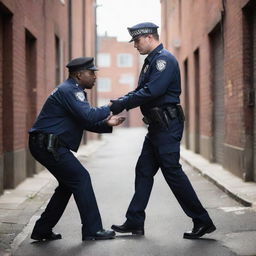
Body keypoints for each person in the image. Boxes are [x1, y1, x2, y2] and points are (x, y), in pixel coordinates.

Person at [110, 22, 216, 239]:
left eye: (137, 41)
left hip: (167, 124)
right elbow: (142, 90)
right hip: (157, 126)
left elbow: (152, 90)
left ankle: (202, 221)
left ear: (149, 38)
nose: (135, 46)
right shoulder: (151, 61)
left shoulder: (163, 60)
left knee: (172, 172)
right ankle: (135, 221)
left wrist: (122, 103)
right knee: (144, 170)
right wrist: (123, 100)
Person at [29, 57, 125, 241]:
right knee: (81, 178)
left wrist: (107, 123)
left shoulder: (73, 90)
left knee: (67, 185)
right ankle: (93, 229)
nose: (95, 77)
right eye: (92, 73)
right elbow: (88, 115)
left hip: (46, 144)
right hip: (48, 145)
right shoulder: (70, 90)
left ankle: (42, 229)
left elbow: (82, 120)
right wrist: (110, 107)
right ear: (79, 75)